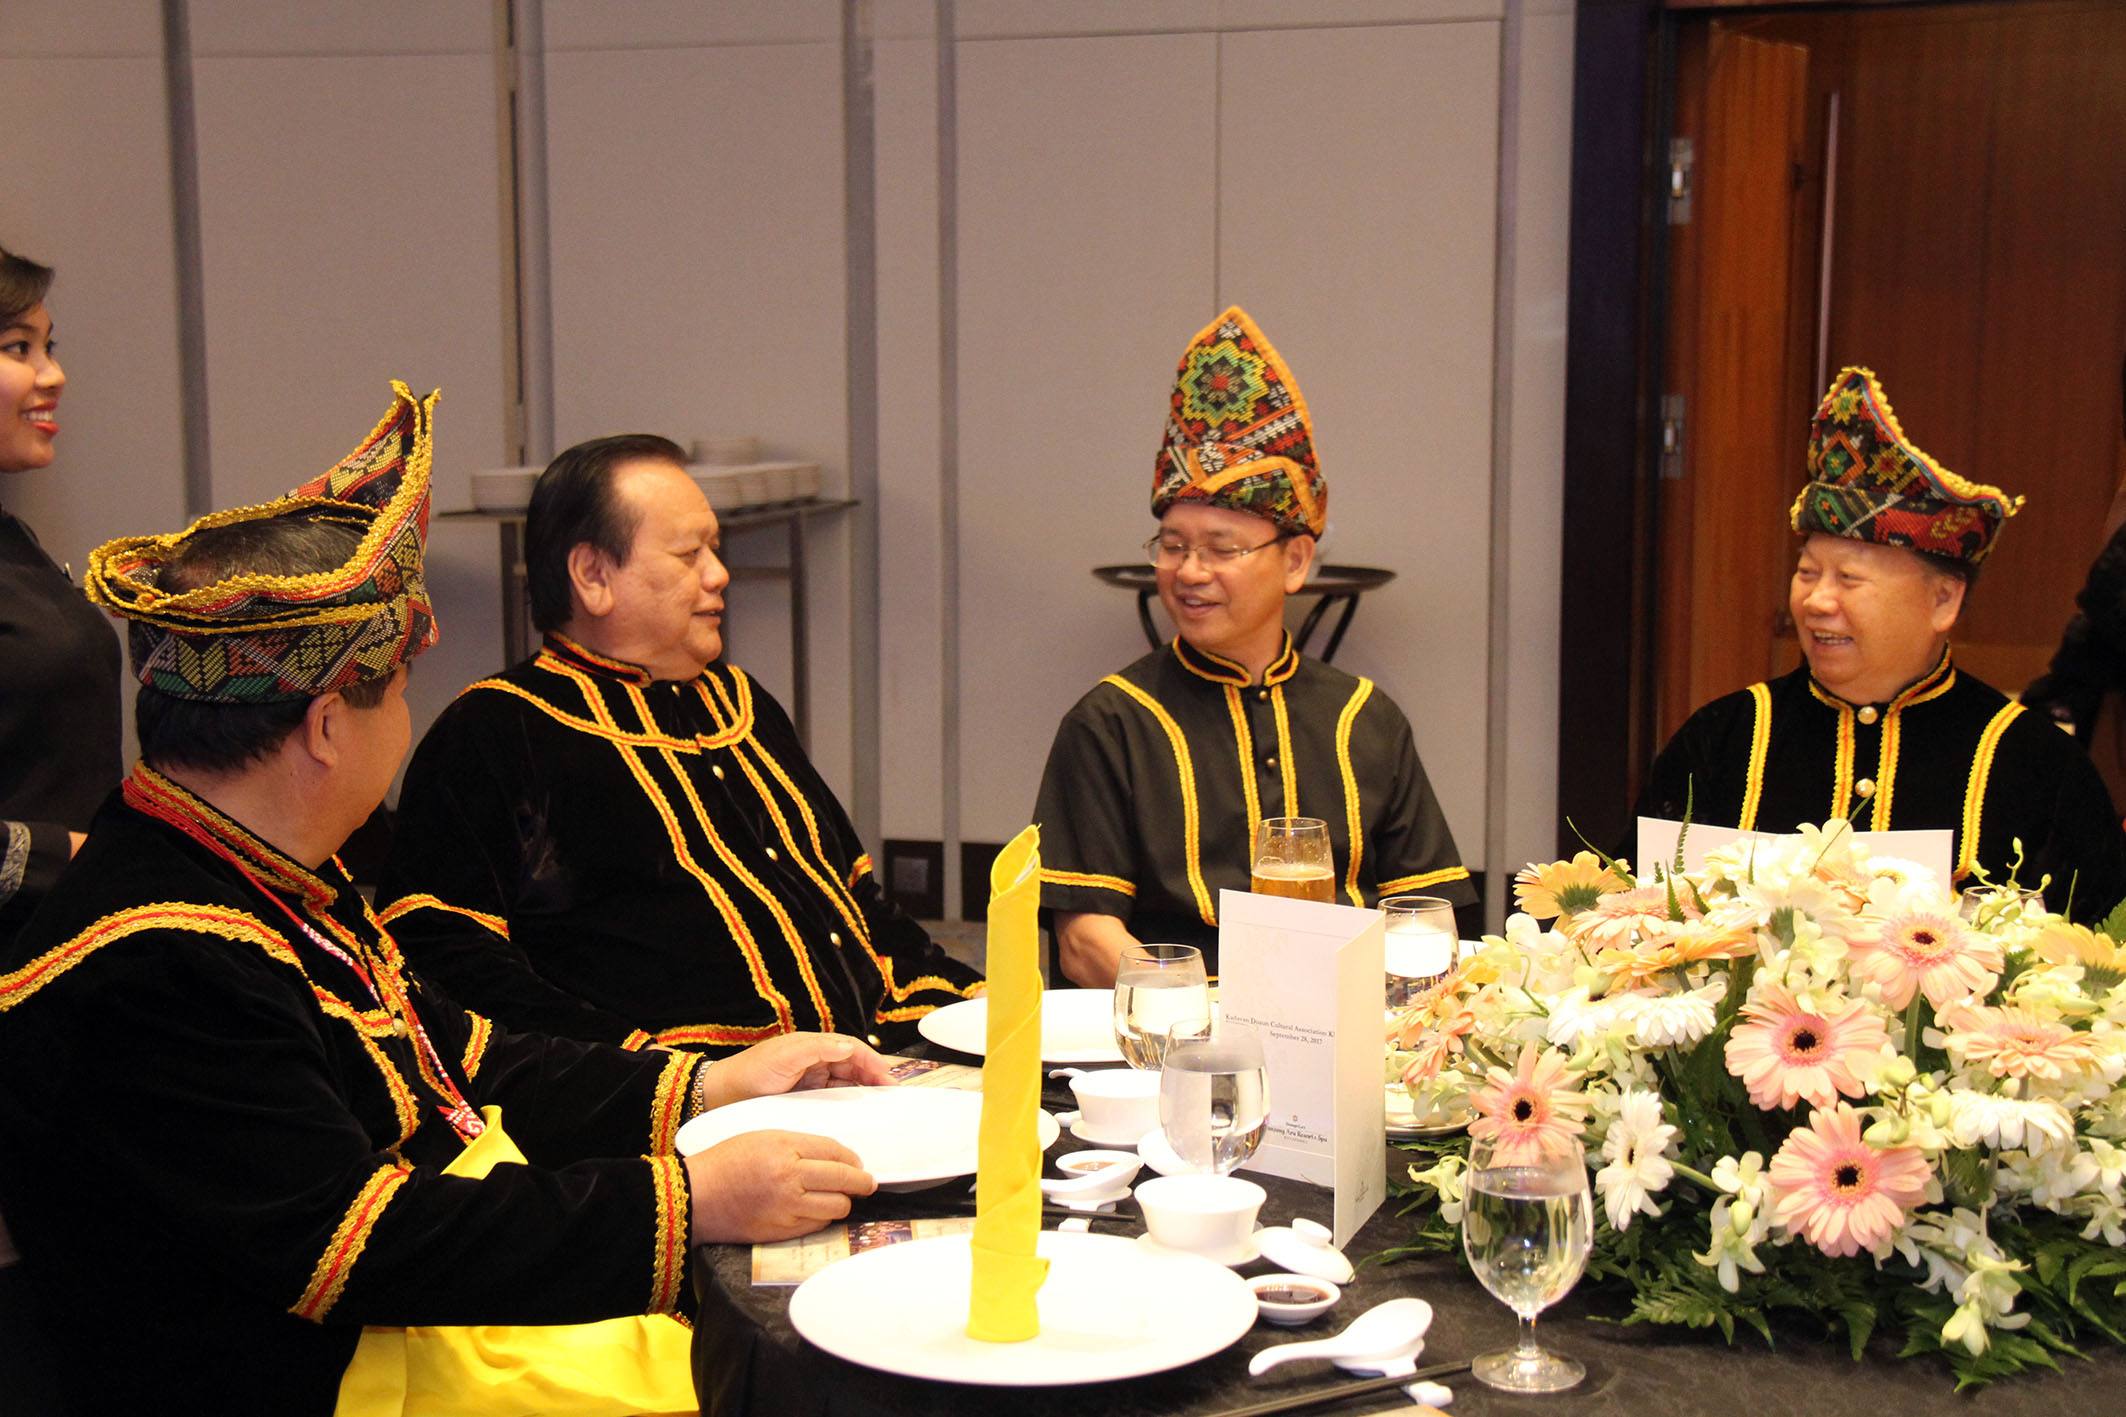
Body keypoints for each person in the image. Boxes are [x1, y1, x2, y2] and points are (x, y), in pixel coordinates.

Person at [0, 385, 888, 1416]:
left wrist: (707, 1086)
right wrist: (689, 1202)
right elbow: (360, 1244)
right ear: (327, 727)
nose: (408, 716)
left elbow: (462, 1053)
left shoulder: (252, 865)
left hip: (415, 1328)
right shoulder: (158, 951)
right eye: (400, 690)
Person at [378, 434, 982, 1056]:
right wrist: (655, 1073)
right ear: (592, 576)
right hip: (698, 1095)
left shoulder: (738, 700)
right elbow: (446, 958)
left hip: (876, 1062)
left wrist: (978, 1002)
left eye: (713, 549)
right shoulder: (496, 730)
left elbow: (853, 901)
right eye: (690, 553)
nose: (719, 574)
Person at [1032, 307, 1472, 987]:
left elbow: (1427, 917)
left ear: (1295, 561)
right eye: (1173, 546)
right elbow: (1085, 942)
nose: (1190, 572)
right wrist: (1213, 1011)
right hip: (1176, 1028)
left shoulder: (1365, 717)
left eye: (1221, 549)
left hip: (1354, 1021)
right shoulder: (1111, 722)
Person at [1639, 366, 2126, 920]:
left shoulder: (2036, 764)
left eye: (1849, 579)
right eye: (1807, 572)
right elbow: (1634, 916)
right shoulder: (1723, 738)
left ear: (1943, 600)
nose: (1818, 600)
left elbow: (2097, 952)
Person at [0, 246, 121, 943]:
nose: (53, 375)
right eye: (19, 348)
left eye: (49, 347)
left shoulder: (14, 538)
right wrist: (88, 859)